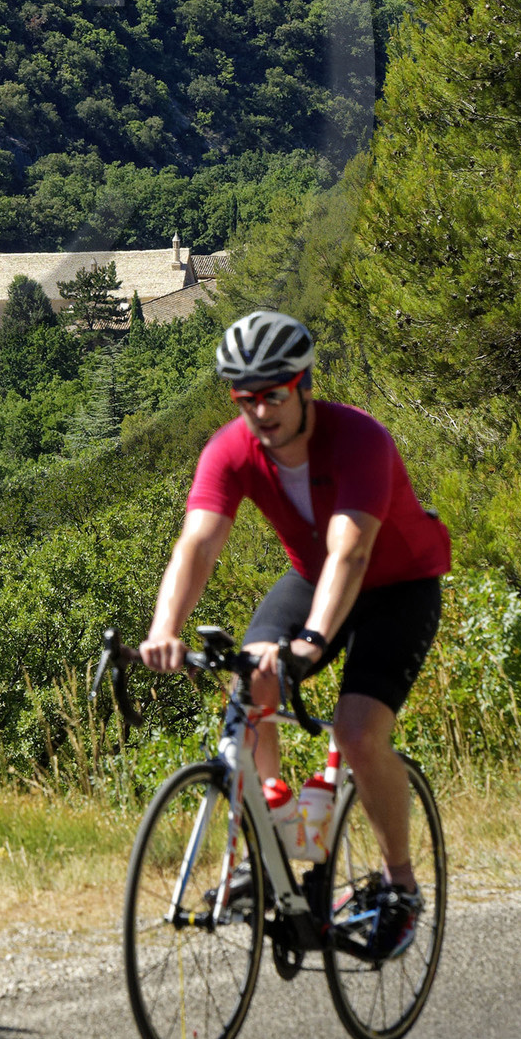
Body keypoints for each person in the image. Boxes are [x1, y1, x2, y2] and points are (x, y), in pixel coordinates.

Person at [138, 309, 450, 958]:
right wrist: (165, 629)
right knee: (251, 681)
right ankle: (271, 846)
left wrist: (311, 642)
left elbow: (351, 551)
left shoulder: (359, 439)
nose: (261, 412)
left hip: (397, 586)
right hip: (312, 577)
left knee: (357, 733)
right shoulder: (230, 450)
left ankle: (400, 885)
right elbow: (197, 544)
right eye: (245, 399)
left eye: (274, 395)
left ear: (303, 386)